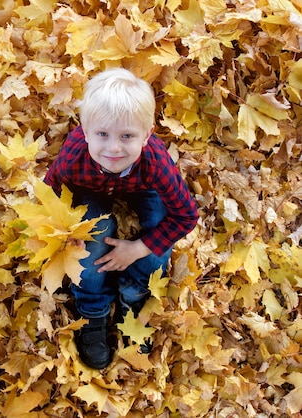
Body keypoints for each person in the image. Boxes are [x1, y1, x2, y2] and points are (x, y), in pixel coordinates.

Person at [44, 68, 199, 369]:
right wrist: (64, 231)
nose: (114, 148)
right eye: (102, 134)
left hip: (141, 186)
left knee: (157, 245)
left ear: (146, 135)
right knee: (90, 245)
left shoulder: (154, 162)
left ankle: (133, 298)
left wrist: (139, 247)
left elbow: (186, 215)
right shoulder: (74, 158)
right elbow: (49, 194)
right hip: (90, 189)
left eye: (127, 136)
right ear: (86, 131)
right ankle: (93, 309)